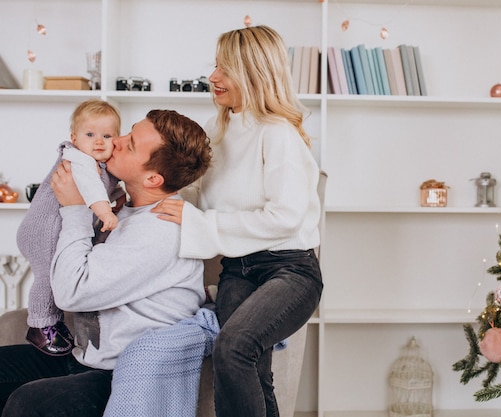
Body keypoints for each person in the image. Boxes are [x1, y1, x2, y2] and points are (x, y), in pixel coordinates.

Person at [152, 25, 324, 417]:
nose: (213, 77)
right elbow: (196, 193)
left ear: (255, 73)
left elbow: (285, 217)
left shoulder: (278, 135)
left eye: (225, 68)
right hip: (238, 269)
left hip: (290, 270)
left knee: (233, 347)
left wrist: (201, 224)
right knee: (252, 369)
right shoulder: (219, 129)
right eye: (215, 66)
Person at [0, 109, 212, 417]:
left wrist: (74, 209)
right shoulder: (125, 209)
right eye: (127, 132)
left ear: (153, 178)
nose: (115, 140)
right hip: (85, 356)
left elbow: (72, 292)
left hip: (121, 373)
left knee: (28, 403)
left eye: (130, 143)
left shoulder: (161, 229)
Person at [16, 99, 126, 356]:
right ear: (74, 138)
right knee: (47, 276)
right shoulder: (78, 159)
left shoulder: (98, 163)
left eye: (107, 135)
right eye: (90, 135)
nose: (98, 142)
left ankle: (52, 322)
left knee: (52, 275)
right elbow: (90, 187)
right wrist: (104, 211)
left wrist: (118, 194)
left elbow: (103, 186)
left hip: (55, 227)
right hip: (43, 230)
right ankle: (40, 326)